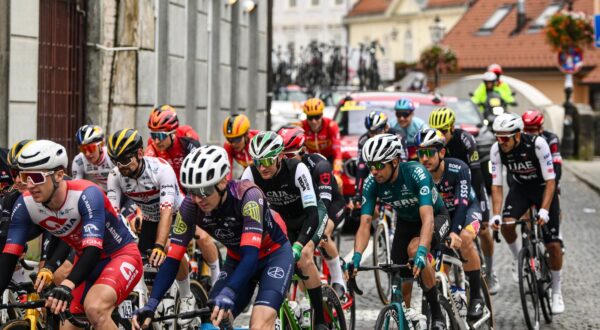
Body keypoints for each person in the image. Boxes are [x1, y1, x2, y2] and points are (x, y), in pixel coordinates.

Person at [133, 146, 292, 329]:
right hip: (237, 258)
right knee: (214, 320)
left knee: (259, 324)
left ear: (223, 181)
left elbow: (251, 255)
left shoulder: (248, 197)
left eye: (205, 190)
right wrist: (151, 304)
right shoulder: (190, 207)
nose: (199, 198)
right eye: (192, 191)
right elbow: (172, 260)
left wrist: (230, 291)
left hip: (273, 256)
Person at [0, 140, 142, 329]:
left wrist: (67, 285)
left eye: (37, 177)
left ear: (59, 175)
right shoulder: (25, 204)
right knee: (68, 326)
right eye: (25, 177)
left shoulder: (87, 194)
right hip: (85, 260)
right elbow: (9, 256)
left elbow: (93, 248)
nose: (30, 185)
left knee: (95, 308)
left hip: (120, 255)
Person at [351, 133, 450, 330]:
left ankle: (437, 314)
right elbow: (365, 224)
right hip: (406, 223)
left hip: (435, 217)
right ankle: (409, 320)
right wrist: (356, 257)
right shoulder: (372, 183)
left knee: (414, 250)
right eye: (371, 165)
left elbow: (428, 218)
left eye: (379, 165)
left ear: (395, 162)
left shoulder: (416, 173)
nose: (374, 171)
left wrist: (422, 252)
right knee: (400, 278)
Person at [106, 129, 198, 326]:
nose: (120, 166)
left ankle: (187, 296)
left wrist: (159, 244)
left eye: (124, 160)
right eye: (116, 161)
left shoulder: (161, 170)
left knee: (171, 250)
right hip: (149, 216)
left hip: (176, 214)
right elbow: (113, 214)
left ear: (140, 153)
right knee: (136, 257)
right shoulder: (115, 175)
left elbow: (166, 211)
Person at [241, 131, 330, 329]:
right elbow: (244, 213)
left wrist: (299, 245)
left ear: (280, 156)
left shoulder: (297, 169)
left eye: (267, 161)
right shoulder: (250, 174)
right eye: (257, 162)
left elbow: (313, 214)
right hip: (282, 220)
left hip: (310, 215)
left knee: (304, 256)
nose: (262, 167)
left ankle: (321, 320)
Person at [489, 113, 564, 314]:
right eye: (497, 136)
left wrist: (545, 210)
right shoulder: (497, 149)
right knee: (506, 224)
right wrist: (495, 214)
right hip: (521, 189)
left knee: (553, 244)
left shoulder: (538, 144)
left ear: (517, 135)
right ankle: (517, 259)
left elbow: (551, 181)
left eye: (504, 137)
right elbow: (496, 185)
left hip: (542, 188)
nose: (500, 141)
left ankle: (556, 292)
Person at [146, 105, 221, 287]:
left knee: (202, 237)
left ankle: (217, 277)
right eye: (153, 135)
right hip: (169, 199)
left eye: (161, 136)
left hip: (191, 194)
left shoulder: (188, 145)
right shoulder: (152, 149)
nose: (157, 140)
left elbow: (199, 174)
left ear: (173, 133)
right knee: (167, 243)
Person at [415, 128, 485, 319]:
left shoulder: (459, 168)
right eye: (421, 153)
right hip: (443, 215)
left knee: (464, 238)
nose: (425, 159)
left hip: (467, 209)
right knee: (437, 269)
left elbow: (462, 204)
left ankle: (477, 297)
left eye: (430, 153)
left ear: (442, 153)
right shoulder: (419, 175)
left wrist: (454, 232)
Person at [428, 107, 498, 293]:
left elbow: (477, 176)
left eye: (443, 130)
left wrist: (484, 211)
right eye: (436, 130)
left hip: (469, 187)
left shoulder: (465, 140)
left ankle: (490, 273)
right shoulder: (432, 145)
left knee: (483, 231)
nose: (440, 135)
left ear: (451, 128)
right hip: (448, 194)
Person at [278, 125, 348, 297]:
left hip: (331, 205)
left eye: (288, 155)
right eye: (281, 155)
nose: (284, 159)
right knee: (300, 260)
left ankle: (339, 279)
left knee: (322, 231)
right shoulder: (282, 169)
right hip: (306, 208)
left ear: (303, 151)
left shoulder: (319, 165)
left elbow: (323, 205)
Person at [355, 111, 406, 199]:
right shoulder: (363, 140)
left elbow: (403, 161)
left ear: (386, 127)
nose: (374, 136)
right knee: (361, 167)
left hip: (392, 170)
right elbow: (360, 166)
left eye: (377, 131)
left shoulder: (398, 136)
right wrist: (358, 194)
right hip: (374, 169)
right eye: (371, 132)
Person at [300, 98, 343, 187]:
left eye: (317, 117)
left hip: (329, 159)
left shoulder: (331, 126)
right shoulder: (301, 126)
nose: (314, 121)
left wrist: (337, 173)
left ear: (322, 115)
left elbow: (337, 152)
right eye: (310, 118)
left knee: (338, 183)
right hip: (312, 160)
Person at [72, 125, 115, 192]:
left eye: (91, 148)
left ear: (101, 145)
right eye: (83, 149)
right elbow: (76, 187)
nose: (87, 154)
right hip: (105, 192)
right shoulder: (79, 160)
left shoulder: (111, 157)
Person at [222, 113, 260, 178]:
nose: (233, 144)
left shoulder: (258, 139)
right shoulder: (228, 146)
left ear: (246, 135)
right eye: (229, 139)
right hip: (249, 173)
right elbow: (227, 172)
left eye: (237, 139)